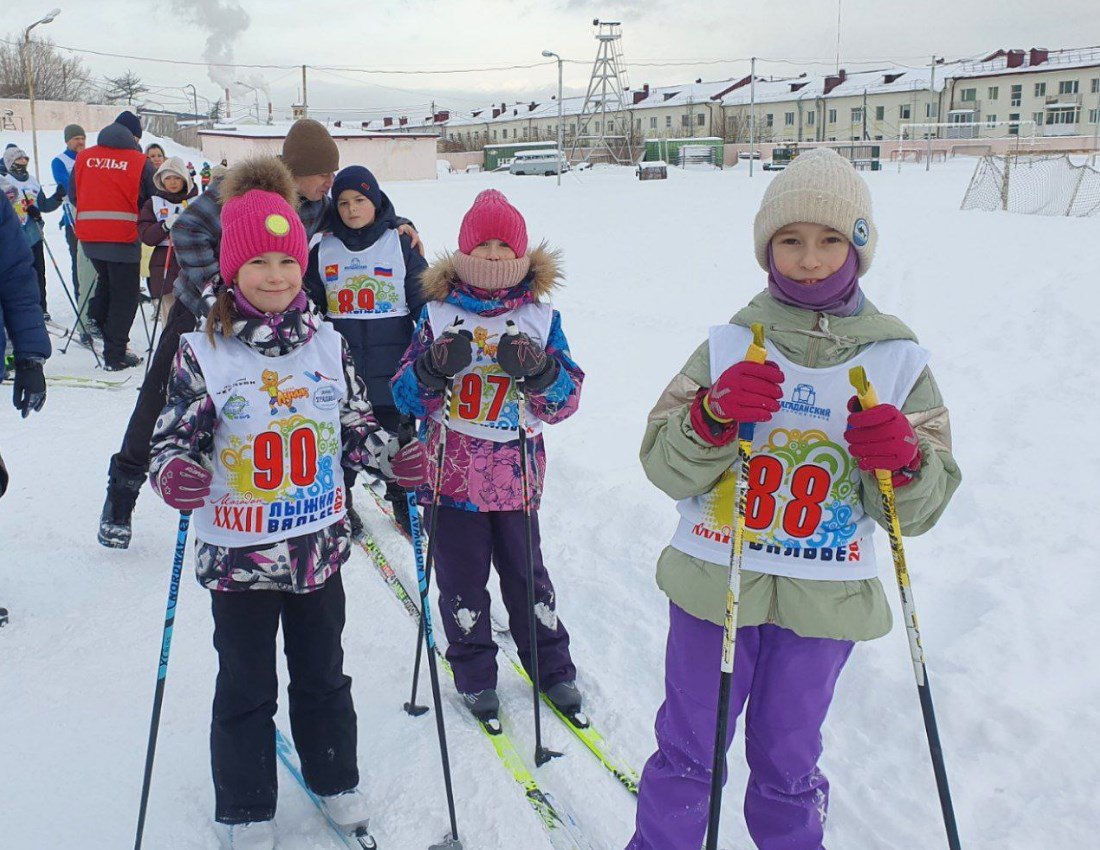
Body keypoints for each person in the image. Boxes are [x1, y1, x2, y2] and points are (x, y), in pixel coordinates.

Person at [625, 148, 963, 850]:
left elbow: (921, 510)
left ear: (859, 246)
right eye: (791, 240)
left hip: (824, 601)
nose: (810, 260)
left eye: (830, 239)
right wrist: (710, 417)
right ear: (766, 248)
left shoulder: (897, 361)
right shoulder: (728, 347)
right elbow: (662, 463)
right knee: (689, 750)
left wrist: (903, 462)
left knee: (788, 761)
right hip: (715, 582)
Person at [147, 156, 429, 850]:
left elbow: (356, 425)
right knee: (246, 684)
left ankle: (334, 776)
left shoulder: (328, 344)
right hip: (240, 553)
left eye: (286, 261)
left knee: (323, 674)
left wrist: (393, 457)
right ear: (231, 270)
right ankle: (246, 806)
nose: (274, 276)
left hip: (317, 549)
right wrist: (176, 470)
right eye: (258, 262)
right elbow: (172, 437)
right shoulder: (202, 351)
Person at [96, 118, 422, 550]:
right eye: (323, 173)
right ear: (297, 170)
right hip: (203, 314)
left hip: (267, 321)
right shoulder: (243, 188)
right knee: (160, 402)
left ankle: (271, 488)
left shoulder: (316, 202)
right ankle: (121, 495)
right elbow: (187, 229)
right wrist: (217, 292)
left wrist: (397, 222)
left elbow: (360, 215)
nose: (330, 182)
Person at [391, 189, 585, 721]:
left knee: (528, 579)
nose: (495, 255)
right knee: (462, 583)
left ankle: (551, 667)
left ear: (521, 254)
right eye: (484, 245)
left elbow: (566, 401)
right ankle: (475, 674)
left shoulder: (540, 319)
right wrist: (431, 369)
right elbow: (404, 396)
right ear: (464, 252)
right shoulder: (436, 316)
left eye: (505, 246)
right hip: (449, 480)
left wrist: (541, 372)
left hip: (516, 479)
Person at [304, 165, 428, 537]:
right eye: (343, 202)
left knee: (398, 442)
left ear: (374, 200)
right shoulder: (323, 246)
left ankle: (402, 501)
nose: (352, 209)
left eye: (360, 200)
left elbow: (422, 298)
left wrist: (433, 343)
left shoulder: (400, 242)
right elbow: (309, 302)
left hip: (393, 368)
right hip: (343, 370)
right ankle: (342, 502)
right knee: (341, 441)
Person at [70, 110, 156, 370]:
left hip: (90, 238)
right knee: (125, 297)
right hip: (124, 238)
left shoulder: (84, 157)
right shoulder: (140, 161)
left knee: (106, 282)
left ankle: (97, 317)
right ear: (134, 136)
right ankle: (115, 355)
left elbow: (73, 195)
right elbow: (153, 198)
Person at [0, 147, 65, 320]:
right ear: (10, 163)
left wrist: (57, 197)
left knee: (38, 273)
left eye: (25, 159)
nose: (23, 162)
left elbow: (44, 205)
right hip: (14, 237)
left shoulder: (33, 182)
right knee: (18, 274)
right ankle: (17, 308)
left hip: (34, 234)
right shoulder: (5, 181)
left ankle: (41, 308)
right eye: (19, 160)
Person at [137, 156, 196, 323]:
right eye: (168, 178)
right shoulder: (154, 203)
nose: (173, 182)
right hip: (164, 262)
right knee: (169, 316)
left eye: (177, 177)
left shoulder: (196, 202)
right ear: (161, 180)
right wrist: (164, 226)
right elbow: (146, 235)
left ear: (185, 179)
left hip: (190, 260)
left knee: (190, 316)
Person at [51, 123, 86, 301]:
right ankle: (80, 298)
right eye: (76, 139)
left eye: (82, 138)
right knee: (78, 260)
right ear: (67, 141)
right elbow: (67, 186)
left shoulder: (90, 158)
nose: (80, 142)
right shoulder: (60, 161)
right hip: (73, 217)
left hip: (93, 217)